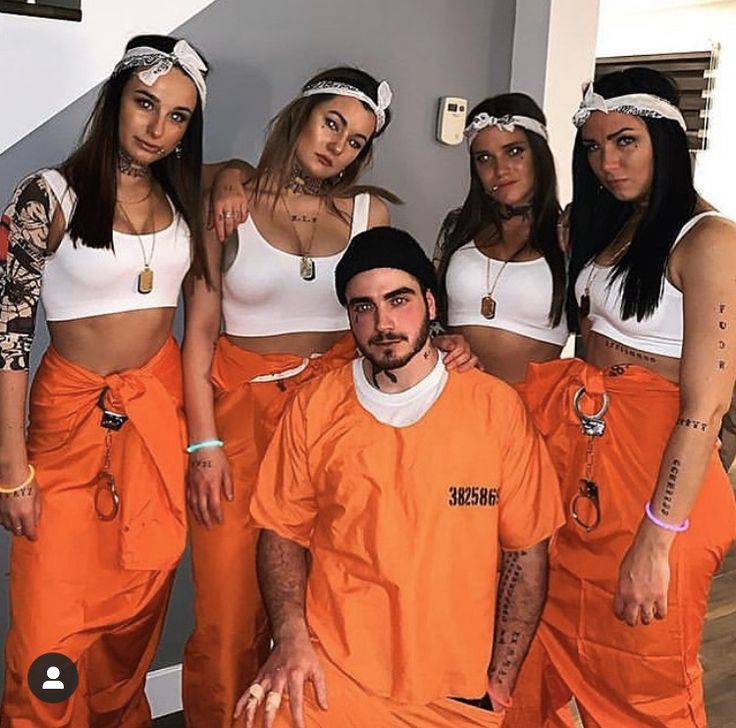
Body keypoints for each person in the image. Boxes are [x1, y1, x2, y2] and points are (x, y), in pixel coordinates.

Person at [182, 67, 477, 728]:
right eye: (332, 123)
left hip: (339, 421)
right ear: (302, 113)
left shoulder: (370, 212)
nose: (338, 146)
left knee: (332, 601)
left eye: (356, 141)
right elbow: (198, 337)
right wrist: (203, 444)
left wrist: (448, 342)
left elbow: (396, 307)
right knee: (227, 613)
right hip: (240, 419)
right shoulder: (230, 205)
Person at [231, 226, 564, 728]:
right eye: (363, 306)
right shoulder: (314, 408)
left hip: (455, 689)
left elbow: (526, 552)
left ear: (431, 303)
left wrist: (498, 682)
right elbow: (280, 532)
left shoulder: (496, 410)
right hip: (334, 671)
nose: (382, 322)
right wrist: (291, 636)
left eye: (398, 300)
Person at [505, 68, 736, 727]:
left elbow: (704, 409)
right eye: (596, 147)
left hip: (658, 485)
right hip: (585, 467)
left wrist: (656, 542)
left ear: (666, 139)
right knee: (536, 659)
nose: (608, 162)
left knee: (643, 686)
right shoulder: (607, 226)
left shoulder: (710, 239)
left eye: (626, 141)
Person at [0, 34, 209, 726]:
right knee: (46, 634)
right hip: (66, 432)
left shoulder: (188, 199)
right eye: (145, 104)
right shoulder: (48, 193)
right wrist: (11, 467)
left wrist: (233, 173)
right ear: (115, 100)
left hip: (154, 424)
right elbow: (8, 337)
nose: (157, 127)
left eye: (177, 115)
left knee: (133, 618)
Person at [434, 93, 568, 383]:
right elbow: (431, 316)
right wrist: (436, 342)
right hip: (450, 401)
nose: (500, 170)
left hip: (530, 412)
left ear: (539, 154)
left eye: (514, 151)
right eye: (484, 158)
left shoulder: (569, 234)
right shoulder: (457, 226)